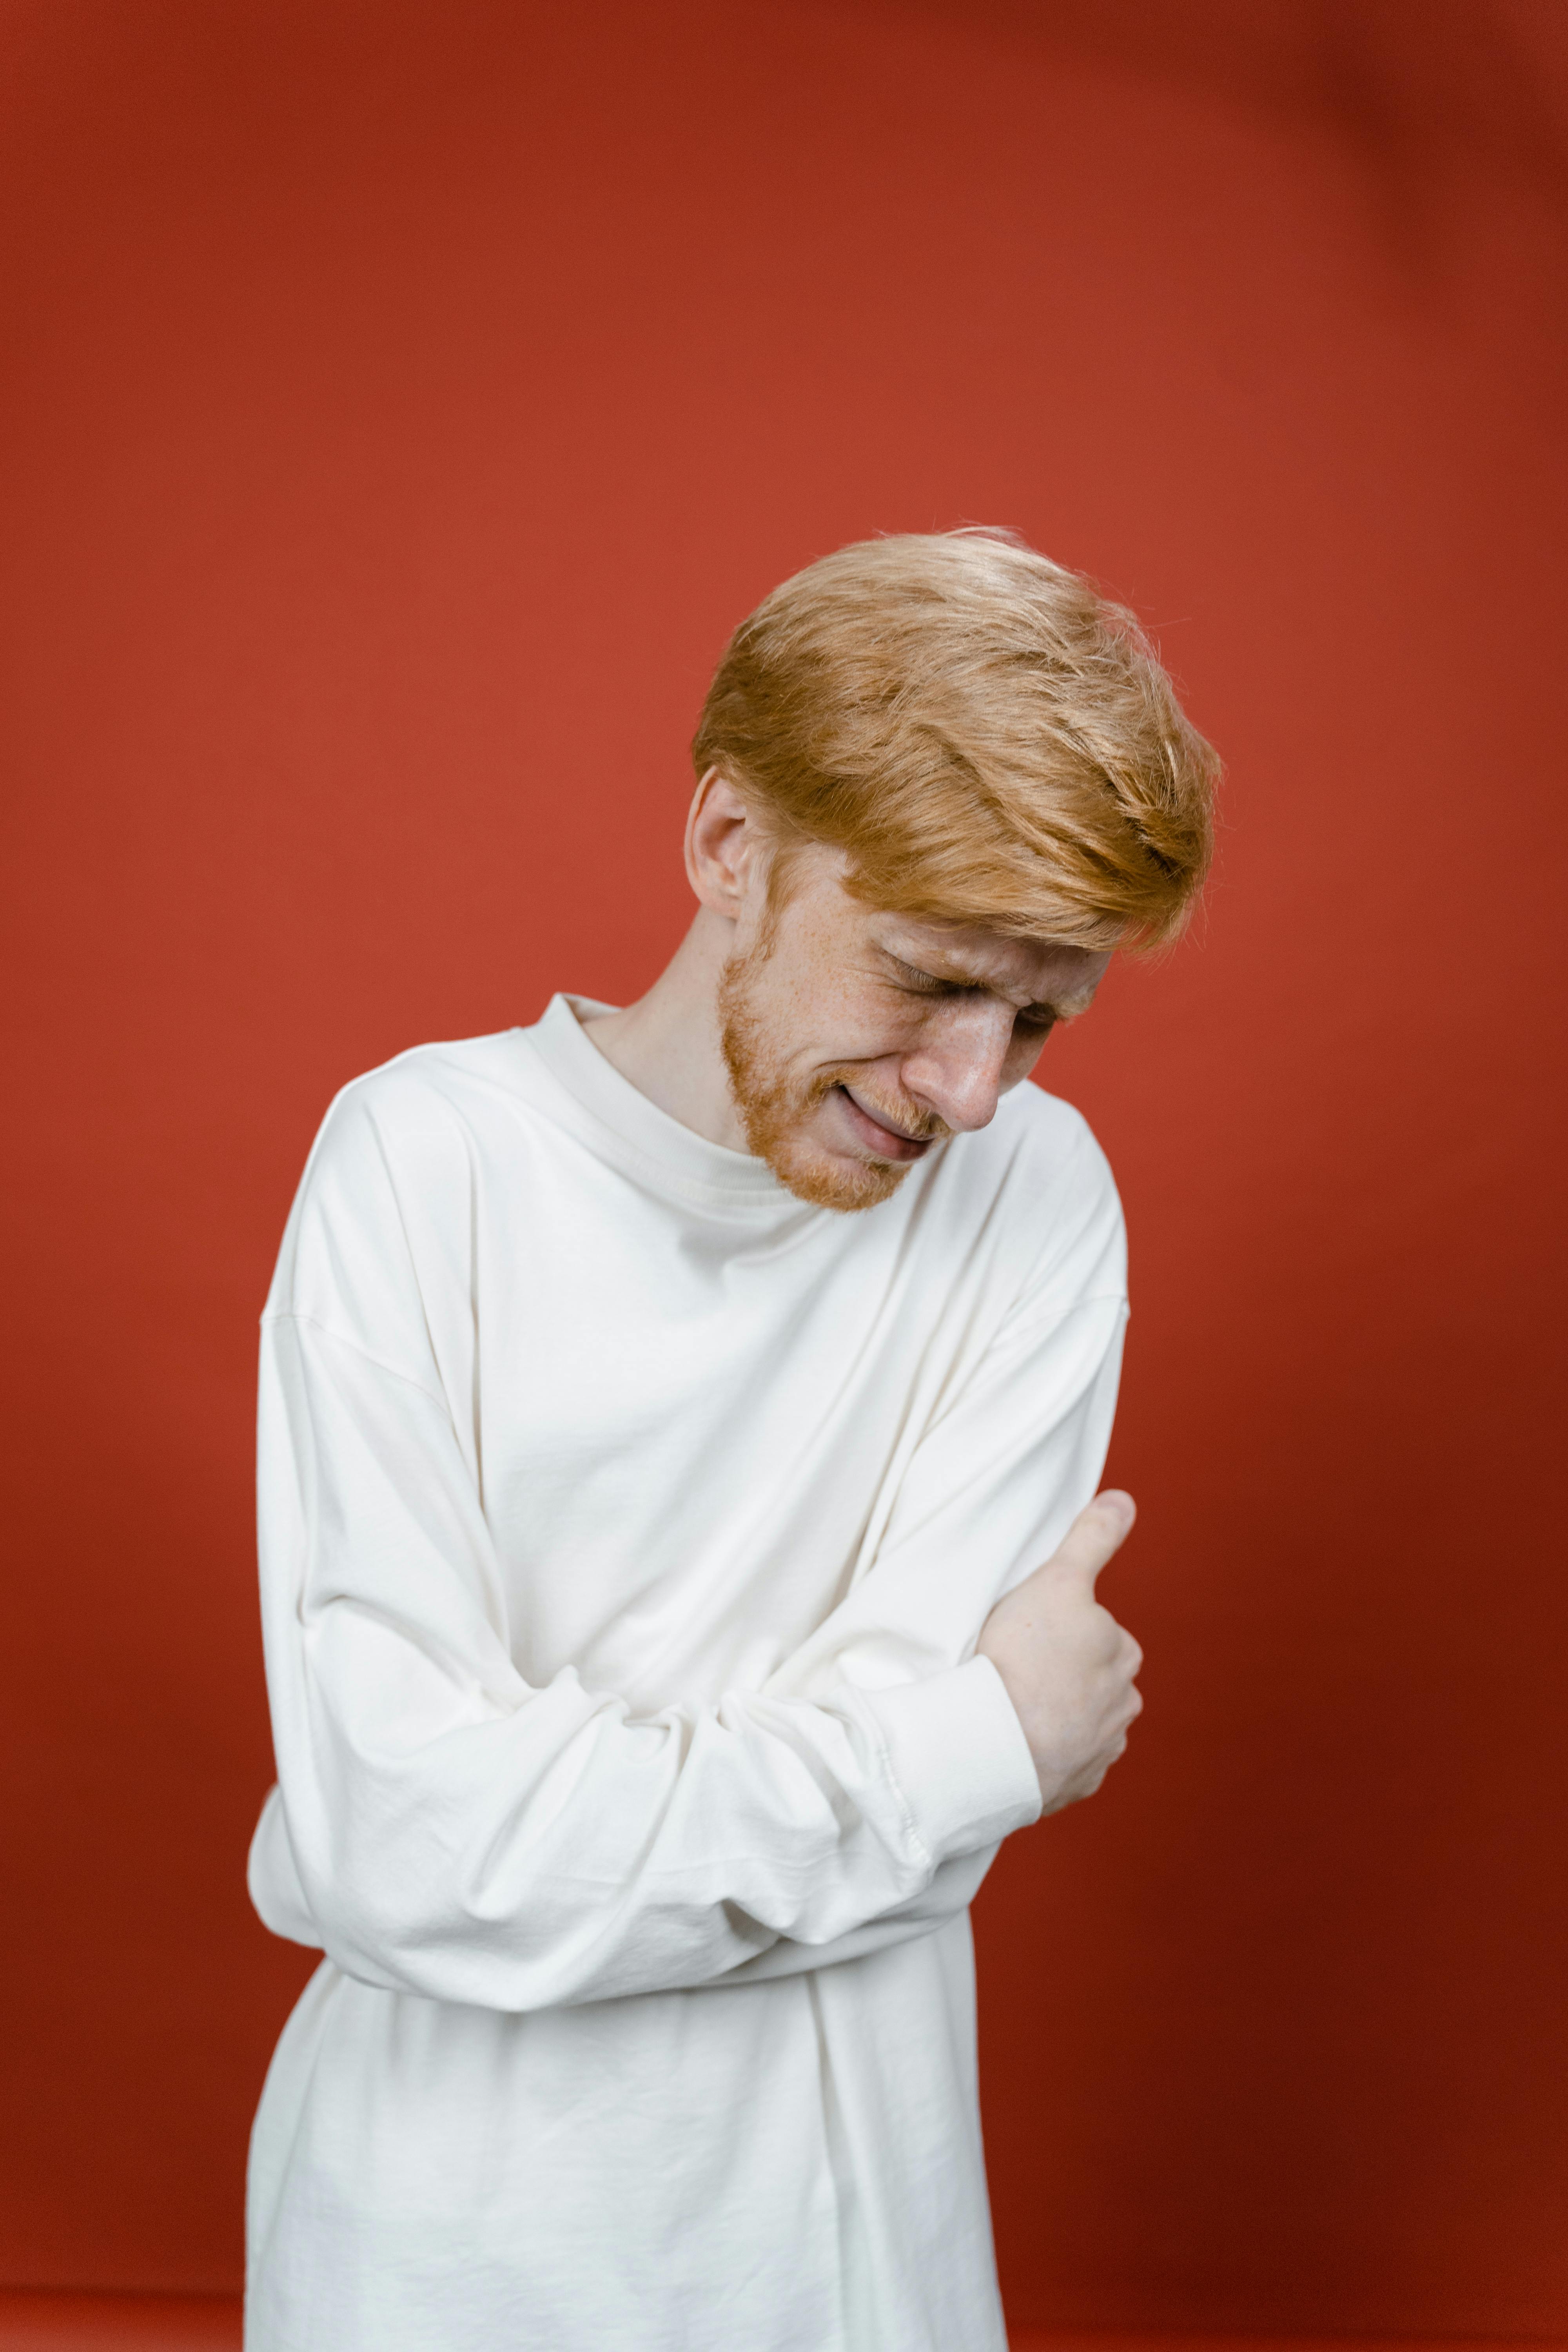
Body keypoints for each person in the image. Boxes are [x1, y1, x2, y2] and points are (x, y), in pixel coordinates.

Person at [243, 528, 1218, 2352]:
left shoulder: (1032, 1198)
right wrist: (973, 1740)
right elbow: (404, 1846)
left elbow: (467, 1851)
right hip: (430, 2251)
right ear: (727, 851)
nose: (973, 1088)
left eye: (1040, 1018)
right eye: (927, 976)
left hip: (858, 2253)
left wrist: (511, 1823)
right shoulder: (423, 1158)